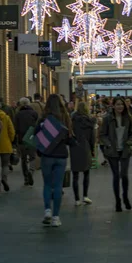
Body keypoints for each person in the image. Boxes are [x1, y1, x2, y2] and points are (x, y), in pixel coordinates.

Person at [35, 94, 75, 227]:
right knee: (58, 186)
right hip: (61, 156)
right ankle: (56, 217)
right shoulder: (65, 119)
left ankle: (47, 210)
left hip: (47, 155)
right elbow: (70, 137)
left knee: (47, 184)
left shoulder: (44, 119)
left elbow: (35, 135)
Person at [100, 96, 132, 212]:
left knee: (124, 175)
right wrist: (108, 144)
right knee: (116, 176)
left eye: (121, 104)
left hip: (125, 150)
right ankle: (118, 200)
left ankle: (125, 197)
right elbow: (102, 134)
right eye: (117, 104)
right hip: (113, 151)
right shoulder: (107, 118)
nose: (120, 106)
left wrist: (130, 142)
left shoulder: (128, 118)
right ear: (113, 106)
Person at [70, 101, 95, 206]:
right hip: (86, 147)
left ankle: (76, 199)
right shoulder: (90, 121)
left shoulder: (73, 120)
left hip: (75, 147)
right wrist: (92, 150)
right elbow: (92, 138)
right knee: (86, 173)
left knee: (75, 175)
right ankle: (85, 195)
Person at [0, 100, 15, 192]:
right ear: (1, 107)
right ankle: (4, 179)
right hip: (5, 144)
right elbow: (11, 131)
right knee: (5, 164)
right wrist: (11, 140)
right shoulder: (6, 117)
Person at [15, 97, 38, 186]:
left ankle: (26, 178)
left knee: (24, 159)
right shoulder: (34, 113)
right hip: (31, 137)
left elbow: (15, 127)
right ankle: (31, 171)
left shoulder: (18, 114)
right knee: (32, 157)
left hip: (21, 139)